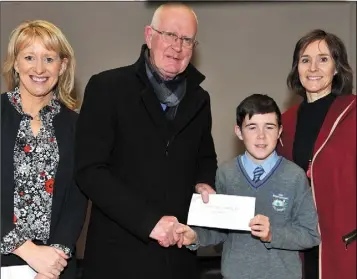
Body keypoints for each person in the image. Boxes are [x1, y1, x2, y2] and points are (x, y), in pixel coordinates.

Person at [75, 3, 217, 279]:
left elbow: (205, 156)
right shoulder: (107, 88)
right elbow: (89, 171)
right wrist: (149, 222)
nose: (177, 46)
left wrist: (205, 181)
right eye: (170, 35)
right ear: (149, 35)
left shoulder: (200, 99)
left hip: (177, 258)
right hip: (118, 256)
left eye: (187, 40)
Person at [176, 94, 320, 279]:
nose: (261, 136)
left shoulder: (294, 176)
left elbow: (310, 235)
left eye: (270, 127)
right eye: (252, 127)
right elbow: (219, 230)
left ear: (280, 131)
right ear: (238, 131)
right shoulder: (225, 174)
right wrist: (194, 237)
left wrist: (272, 234)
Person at [1, 20, 88, 279]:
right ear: (16, 63)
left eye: (49, 59)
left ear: (62, 66)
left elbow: (77, 199)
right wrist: (26, 250)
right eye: (29, 57)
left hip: (55, 267)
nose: (39, 68)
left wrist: (53, 261)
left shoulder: (77, 125)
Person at [277, 29, 356, 279]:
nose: (313, 67)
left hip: (343, 243)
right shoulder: (283, 123)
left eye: (323, 59)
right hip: (298, 245)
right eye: (305, 59)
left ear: (336, 68)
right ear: (296, 69)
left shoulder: (354, 113)